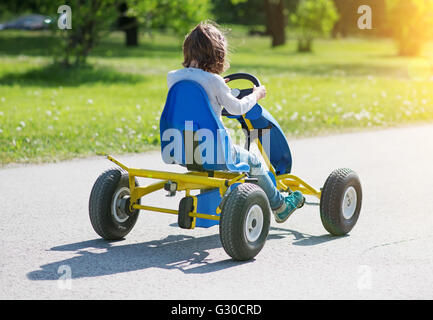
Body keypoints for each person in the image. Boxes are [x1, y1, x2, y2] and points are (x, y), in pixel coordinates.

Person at [167, 21, 304, 223]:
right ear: (217, 54)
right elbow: (236, 109)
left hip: (180, 148)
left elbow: (195, 100)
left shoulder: (173, 77)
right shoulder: (215, 82)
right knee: (254, 162)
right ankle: (280, 205)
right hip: (214, 153)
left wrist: (220, 89)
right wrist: (256, 95)